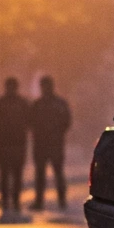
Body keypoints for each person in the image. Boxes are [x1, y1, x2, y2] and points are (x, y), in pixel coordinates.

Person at [29, 76, 72, 210]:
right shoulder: (39, 104)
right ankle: (41, 201)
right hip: (45, 143)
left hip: (52, 143)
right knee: (42, 174)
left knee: (57, 173)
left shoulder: (56, 104)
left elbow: (66, 121)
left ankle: (60, 200)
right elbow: (30, 122)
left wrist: (56, 133)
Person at [0, 78, 28, 212]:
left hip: (10, 143)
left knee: (10, 174)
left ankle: (10, 200)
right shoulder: (21, 103)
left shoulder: (1, 103)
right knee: (9, 174)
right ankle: (10, 200)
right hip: (10, 143)